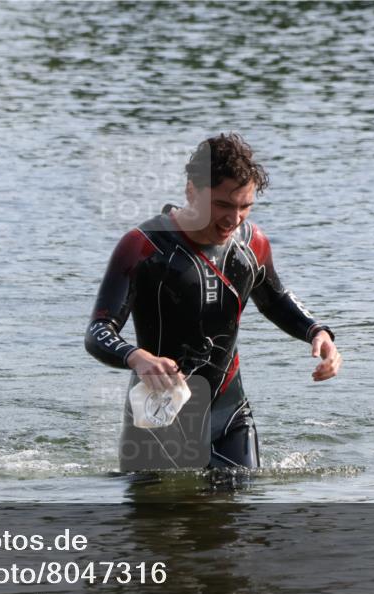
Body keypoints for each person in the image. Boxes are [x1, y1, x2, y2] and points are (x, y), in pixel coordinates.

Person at [85, 133, 342, 470]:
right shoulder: (144, 246)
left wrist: (317, 332)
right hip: (159, 412)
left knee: (239, 500)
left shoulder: (253, 245)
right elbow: (98, 331)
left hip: (230, 409)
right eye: (222, 204)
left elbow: (275, 299)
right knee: (159, 516)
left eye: (245, 206)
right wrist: (136, 357)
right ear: (192, 190)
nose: (234, 219)